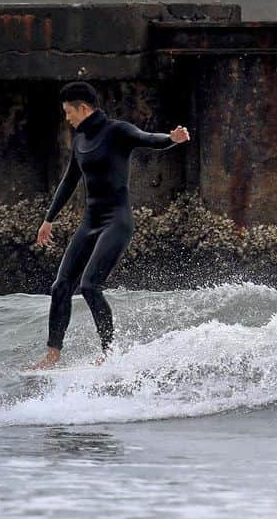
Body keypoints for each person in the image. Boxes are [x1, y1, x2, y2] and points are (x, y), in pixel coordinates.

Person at [29, 81, 191, 370]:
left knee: (91, 285)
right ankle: (53, 353)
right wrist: (48, 219)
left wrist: (172, 138)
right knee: (61, 285)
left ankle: (109, 352)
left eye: (69, 112)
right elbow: (69, 182)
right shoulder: (80, 141)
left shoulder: (117, 131)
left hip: (117, 220)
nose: (67, 118)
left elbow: (147, 138)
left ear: (84, 108)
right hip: (90, 221)